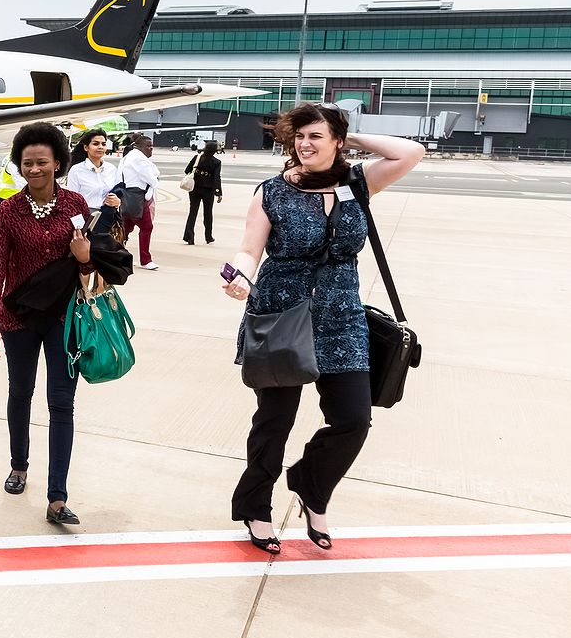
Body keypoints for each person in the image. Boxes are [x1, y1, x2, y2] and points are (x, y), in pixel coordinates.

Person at [221, 103, 424, 554]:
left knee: (354, 420)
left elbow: (411, 151)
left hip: (342, 318)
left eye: (316, 136)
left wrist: (348, 138)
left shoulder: (359, 183)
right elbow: (249, 248)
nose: (305, 144)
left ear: (336, 141)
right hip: (280, 315)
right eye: (300, 136)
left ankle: (310, 485)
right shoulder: (272, 191)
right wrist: (240, 275)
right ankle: (256, 506)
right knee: (275, 421)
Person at [0, 122, 93, 525]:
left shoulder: (77, 205)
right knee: (20, 392)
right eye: (27, 162)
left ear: (57, 163)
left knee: (62, 404)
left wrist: (83, 255)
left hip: (65, 320)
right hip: (18, 318)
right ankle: (18, 465)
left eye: (42, 162)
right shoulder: (9, 210)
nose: (34, 169)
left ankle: (57, 497)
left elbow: (96, 270)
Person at [120, 134, 160, 270]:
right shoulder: (139, 159)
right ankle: (145, 259)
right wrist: (155, 178)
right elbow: (153, 179)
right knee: (147, 227)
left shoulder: (128, 157)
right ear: (139, 146)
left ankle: (119, 255)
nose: (151, 149)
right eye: (148, 146)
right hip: (137, 198)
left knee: (126, 229)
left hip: (127, 196)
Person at [182, 140, 224, 245]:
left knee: (193, 212)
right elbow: (216, 178)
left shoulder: (197, 158)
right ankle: (208, 237)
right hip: (208, 190)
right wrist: (218, 192)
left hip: (194, 188)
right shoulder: (216, 162)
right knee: (208, 213)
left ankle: (189, 237)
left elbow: (187, 170)